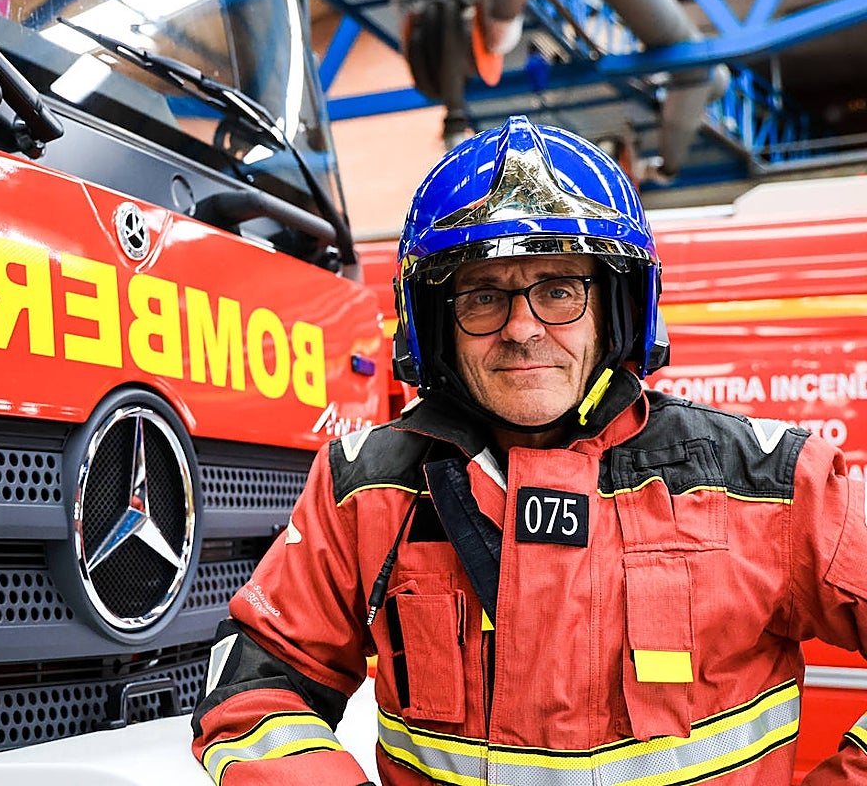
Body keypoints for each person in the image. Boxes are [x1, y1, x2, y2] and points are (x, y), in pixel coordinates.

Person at [189, 115, 867, 785]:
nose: (522, 329)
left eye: (558, 291)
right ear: (435, 325)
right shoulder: (365, 487)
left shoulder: (773, 482)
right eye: (483, 296)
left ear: (618, 310)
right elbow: (257, 691)